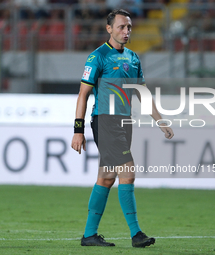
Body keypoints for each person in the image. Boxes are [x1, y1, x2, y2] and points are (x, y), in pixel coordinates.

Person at [71, 9, 174, 248]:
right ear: (109, 29)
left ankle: (89, 235)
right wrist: (78, 130)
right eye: (121, 27)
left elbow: (143, 94)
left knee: (107, 177)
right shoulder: (97, 57)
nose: (126, 31)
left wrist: (160, 120)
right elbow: (83, 95)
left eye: (129, 27)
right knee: (128, 172)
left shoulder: (134, 58)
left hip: (124, 122)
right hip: (105, 121)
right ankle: (136, 234)